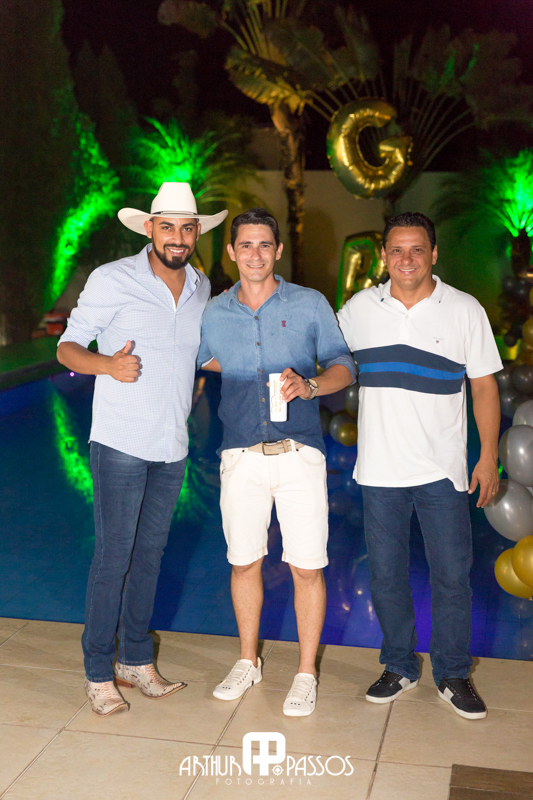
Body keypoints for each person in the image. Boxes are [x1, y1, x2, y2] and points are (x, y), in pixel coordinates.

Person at [57, 182, 227, 716]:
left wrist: (261, 360)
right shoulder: (113, 278)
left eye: (187, 228)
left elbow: (199, 354)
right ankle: (97, 671)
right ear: (149, 228)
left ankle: (134, 659)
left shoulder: (200, 286)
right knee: (114, 557)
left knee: (150, 555)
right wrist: (106, 365)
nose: (178, 237)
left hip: (171, 444)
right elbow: (66, 346)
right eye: (167, 226)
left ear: (196, 233)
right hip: (121, 441)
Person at [337, 211, 502, 720]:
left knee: (452, 576)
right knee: (386, 576)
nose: (406, 259)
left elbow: (484, 387)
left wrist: (488, 456)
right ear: (384, 256)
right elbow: (324, 355)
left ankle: (452, 674)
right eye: (396, 250)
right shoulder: (359, 309)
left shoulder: (464, 309)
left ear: (433, 254)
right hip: (379, 470)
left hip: (442, 471)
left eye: (416, 249)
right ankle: (399, 665)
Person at [197, 208, 356, 717]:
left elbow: (344, 365)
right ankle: (249, 661)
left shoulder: (309, 304)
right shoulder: (214, 313)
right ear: (231, 252)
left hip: (299, 454)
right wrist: (241, 367)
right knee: (243, 562)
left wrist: (309, 384)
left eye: (264, 244)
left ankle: (306, 673)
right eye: (245, 245)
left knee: (306, 566)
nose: (255, 254)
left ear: (278, 251)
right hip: (240, 455)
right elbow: (200, 357)